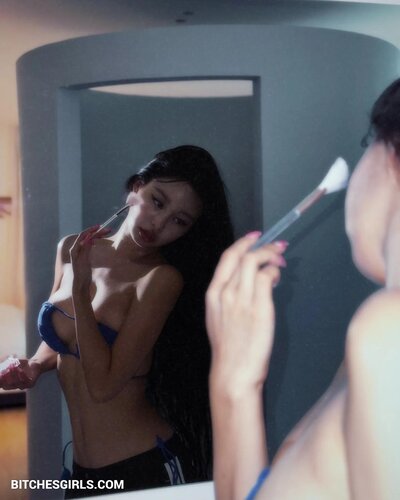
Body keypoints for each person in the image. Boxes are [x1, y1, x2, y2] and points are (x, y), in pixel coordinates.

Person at [0, 145, 234, 497]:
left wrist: (80, 293)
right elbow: (63, 337)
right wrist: (34, 364)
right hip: (83, 471)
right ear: (136, 187)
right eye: (157, 201)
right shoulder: (71, 249)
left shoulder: (159, 280)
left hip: (142, 468)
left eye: (179, 221)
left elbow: (103, 385)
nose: (159, 223)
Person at [206, 78, 400, 500]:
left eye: (370, 140)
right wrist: (235, 380)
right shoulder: (368, 346)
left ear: (393, 156)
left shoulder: (389, 329)